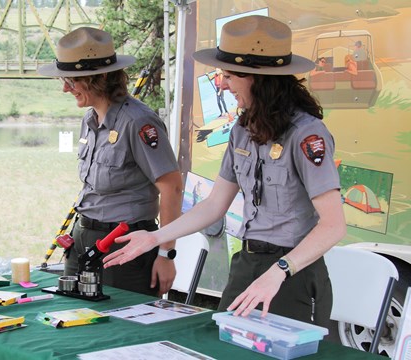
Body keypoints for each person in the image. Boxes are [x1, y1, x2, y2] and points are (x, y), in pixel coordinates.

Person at [104, 15, 346, 327]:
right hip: (247, 263)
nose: (223, 84)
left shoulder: (307, 135)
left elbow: (333, 226)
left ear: (257, 77)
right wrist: (156, 238)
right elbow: (215, 205)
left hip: (294, 271)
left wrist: (280, 270)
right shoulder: (242, 130)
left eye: (229, 75)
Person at [38, 27, 183, 296]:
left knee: (124, 327)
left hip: (125, 246)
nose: (65, 89)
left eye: (72, 80)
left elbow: (172, 187)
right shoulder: (89, 120)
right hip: (83, 236)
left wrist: (166, 253)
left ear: (100, 77)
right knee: (75, 317)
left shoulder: (138, 121)